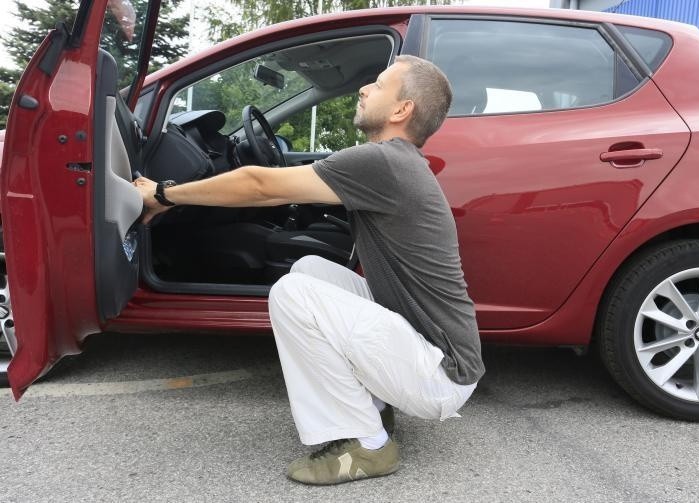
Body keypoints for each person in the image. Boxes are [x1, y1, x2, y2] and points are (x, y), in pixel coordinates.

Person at [135, 55, 485, 485]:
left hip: (440, 374)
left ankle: (368, 447)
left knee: (291, 294)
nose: (363, 89)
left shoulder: (384, 162)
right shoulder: (392, 162)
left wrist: (165, 194)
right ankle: (372, 407)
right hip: (430, 354)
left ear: (400, 110)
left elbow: (259, 186)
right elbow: (273, 189)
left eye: (377, 85)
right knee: (308, 269)